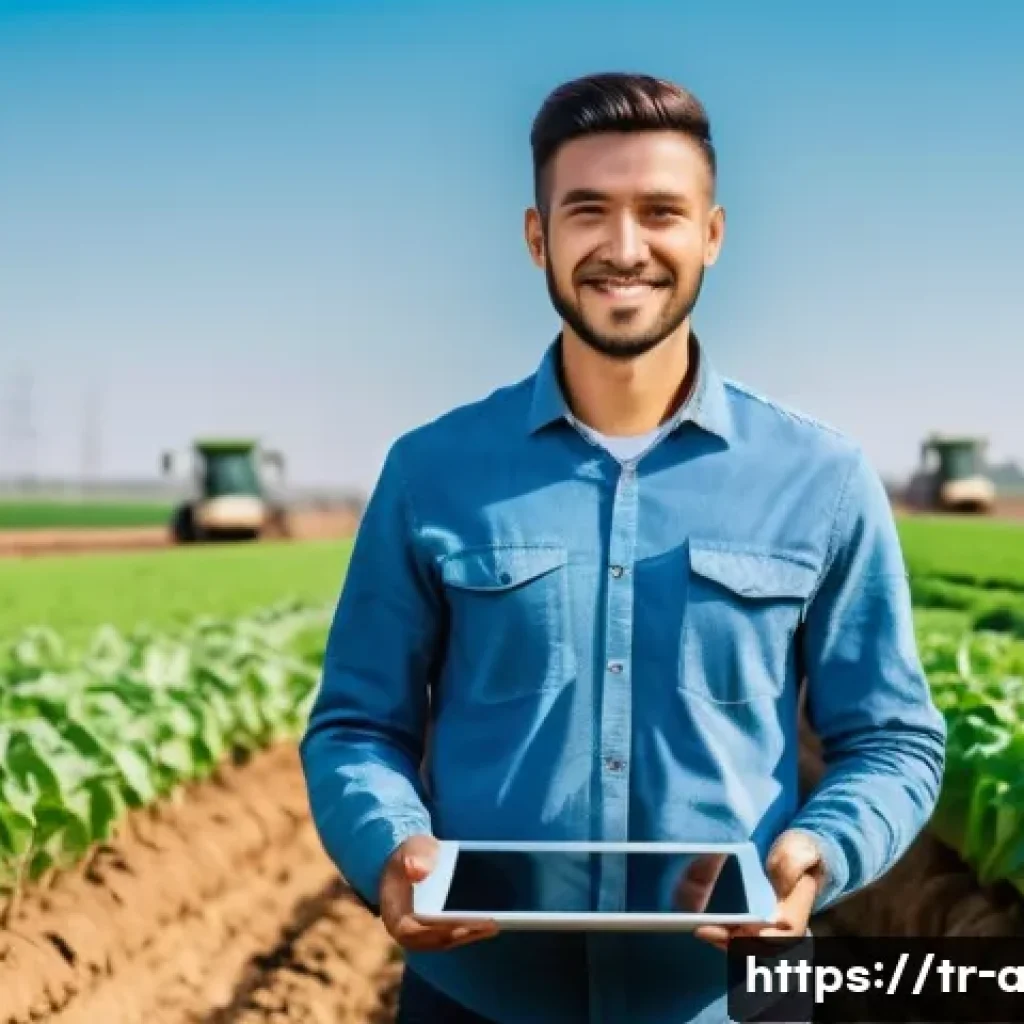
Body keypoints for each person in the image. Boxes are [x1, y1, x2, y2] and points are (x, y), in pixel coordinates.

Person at [300, 72, 947, 1023]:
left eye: (661, 212)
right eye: (589, 210)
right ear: (538, 237)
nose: (625, 247)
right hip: (477, 998)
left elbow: (893, 738)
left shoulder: (821, 478)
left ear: (712, 236)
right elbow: (358, 726)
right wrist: (389, 847)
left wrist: (825, 850)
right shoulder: (430, 472)